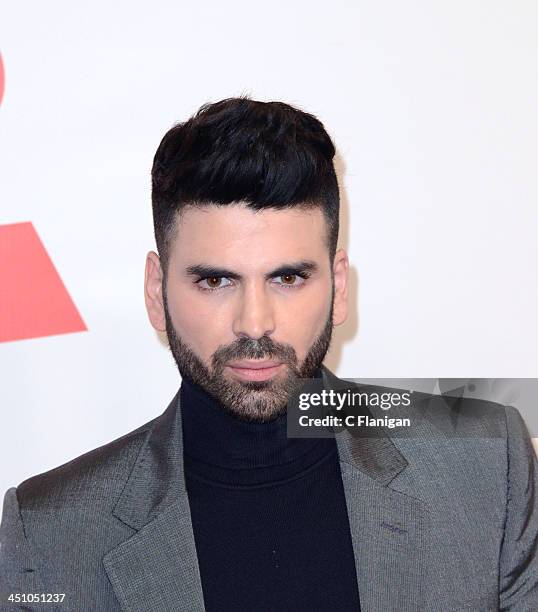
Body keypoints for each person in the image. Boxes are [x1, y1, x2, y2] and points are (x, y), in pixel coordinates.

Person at [1, 97, 537, 612]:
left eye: (288, 277)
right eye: (215, 280)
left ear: (339, 287)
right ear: (156, 291)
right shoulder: (47, 534)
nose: (254, 322)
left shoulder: (485, 460)